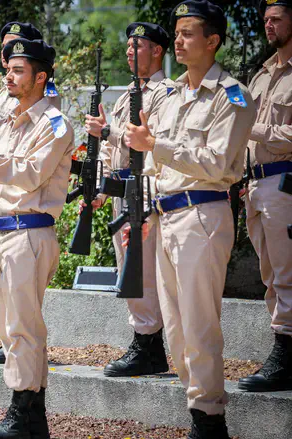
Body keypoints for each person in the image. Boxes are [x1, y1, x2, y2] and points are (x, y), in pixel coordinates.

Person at [124, 1, 256, 436]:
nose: (178, 41)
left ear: (213, 41)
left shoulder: (232, 96)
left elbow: (218, 162)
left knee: (199, 325)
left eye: (188, 34)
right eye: (176, 33)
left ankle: (209, 418)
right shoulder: (170, 94)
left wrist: (155, 146)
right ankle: (198, 410)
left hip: (202, 213)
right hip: (165, 215)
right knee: (177, 332)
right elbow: (150, 161)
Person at [0, 38, 74, 438]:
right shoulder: (9, 124)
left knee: (23, 328)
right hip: (6, 233)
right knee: (12, 329)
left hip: (30, 234)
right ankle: (32, 417)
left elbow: (29, 174)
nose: (9, 75)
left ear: (41, 77)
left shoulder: (55, 125)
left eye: (19, 70)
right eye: (9, 69)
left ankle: (23, 411)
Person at [83, 22, 173, 378]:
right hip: (122, 191)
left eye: (138, 46)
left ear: (157, 51)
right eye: (128, 46)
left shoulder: (166, 94)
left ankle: (148, 344)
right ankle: (144, 340)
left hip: (146, 191)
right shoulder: (124, 96)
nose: (129, 52)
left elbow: (152, 143)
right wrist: (101, 190)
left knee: (144, 271)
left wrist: (109, 130)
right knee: (128, 270)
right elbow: (112, 149)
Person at [0, 22, 45, 365]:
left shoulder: (46, 108)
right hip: (2, 218)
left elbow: (26, 170)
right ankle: (22, 401)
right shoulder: (7, 95)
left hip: (27, 220)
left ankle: (28, 403)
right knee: (7, 314)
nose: (8, 60)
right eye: (6, 49)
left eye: (17, 50)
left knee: (23, 323)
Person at [238, 0, 292, 393]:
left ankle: (285, 356)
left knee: (288, 274)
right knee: (270, 275)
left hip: (285, 182)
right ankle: (284, 348)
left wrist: (254, 131)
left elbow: (257, 130)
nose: (268, 25)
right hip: (256, 185)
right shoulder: (262, 74)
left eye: (276, 19)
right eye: (265, 20)